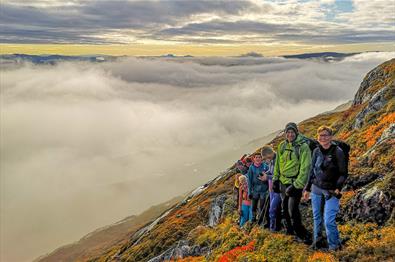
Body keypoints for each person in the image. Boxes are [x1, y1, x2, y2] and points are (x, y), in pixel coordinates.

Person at [303, 126, 347, 251]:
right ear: (318, 137)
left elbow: (343, 173)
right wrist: (307, 189)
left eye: (326, 135)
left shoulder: (337, 151)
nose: (323, 138)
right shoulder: (316, 151)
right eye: (321, 135)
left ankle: (334, 247)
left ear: (331, 137)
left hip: (331, 191)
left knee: (328, 220)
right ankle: (317, 242)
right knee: (317, 218)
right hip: (316, 188)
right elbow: (311, 171)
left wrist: (338, 187)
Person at [273, 122, 311, 242]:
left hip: (295, 183)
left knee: (292, 209)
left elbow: (306, 167)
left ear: (296, 133)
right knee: (284, 208)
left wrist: (297, 185)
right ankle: (290, 232)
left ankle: (301, 234)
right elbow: (277, 164)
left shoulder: (302, 147)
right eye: (288, 132)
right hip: (283, 182)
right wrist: (275, 179)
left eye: (292, 132)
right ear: (285, 133)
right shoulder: (282, 146)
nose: (290, 134)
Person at [261, 145, 282, 232]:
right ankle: (274, 228)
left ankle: (273, 230)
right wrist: (265, 173)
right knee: (273, 209)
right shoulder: (272, 160)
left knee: (272, 210)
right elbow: (271, 171)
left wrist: (267, 177)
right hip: (273, 188)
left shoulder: (279, 160)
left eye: (266, 157)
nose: (266, 160)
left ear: (269, 154)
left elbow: (280, 175)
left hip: (279, 188)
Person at [247, 152, 269, 223]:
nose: (258, 159)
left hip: (264, 189)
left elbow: (269, 176)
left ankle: (261, 219)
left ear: (261, 158)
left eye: (259, 157)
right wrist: (249, 192)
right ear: (254, 159)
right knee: (254, 205)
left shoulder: (265, 166)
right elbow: (249, 180)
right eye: (256, 157)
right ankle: (253, 218)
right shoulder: (251, 167)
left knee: (262, 206)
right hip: (255, 190)